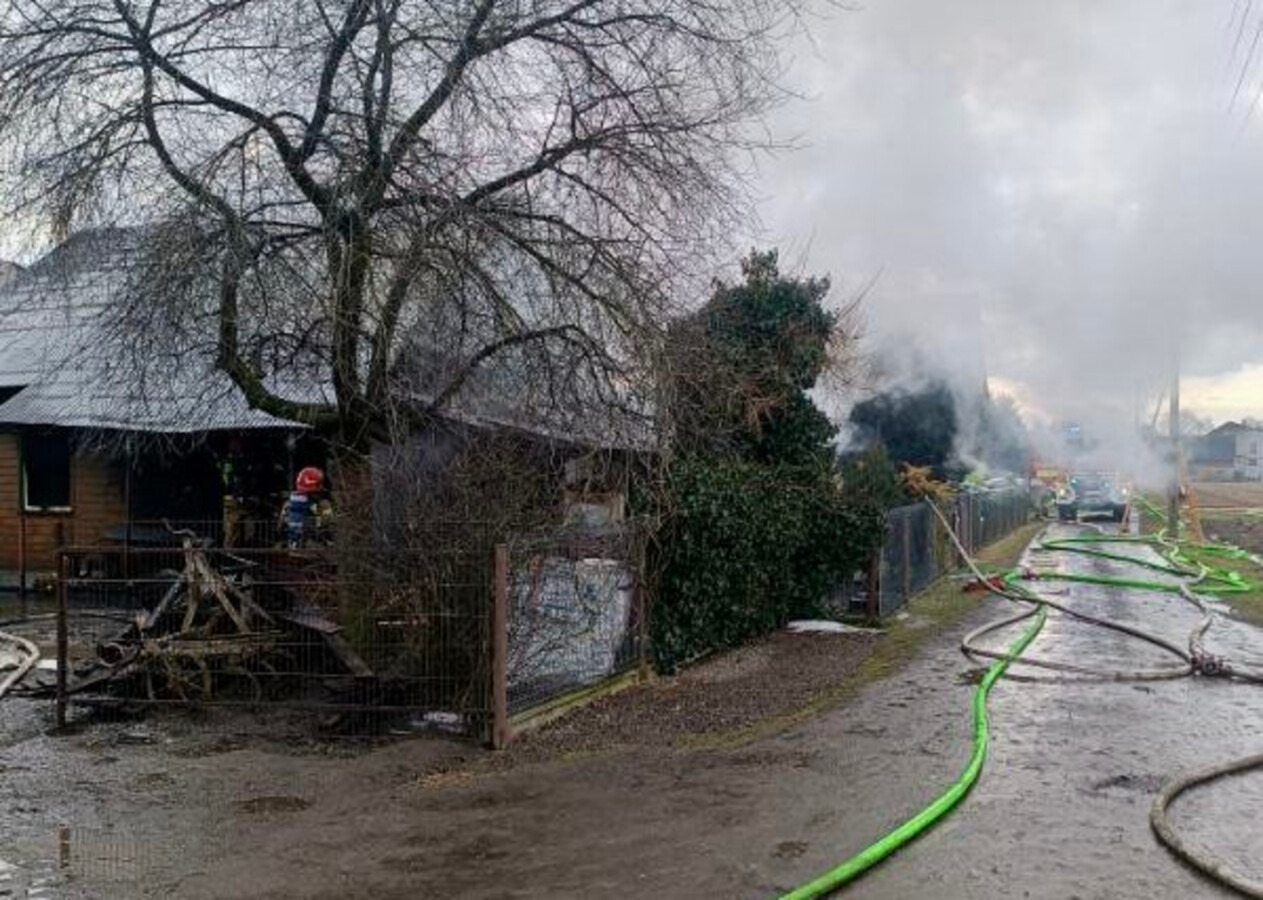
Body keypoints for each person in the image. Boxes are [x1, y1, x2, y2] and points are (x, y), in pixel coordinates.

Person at [281, 467, 333, 547]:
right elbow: (327, 523)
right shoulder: (323, 504)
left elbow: (281, 526)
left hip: (291, 546)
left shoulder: (289, 503)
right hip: (315, 547)